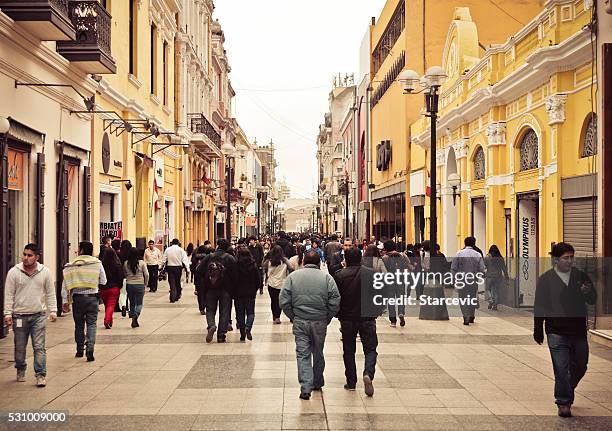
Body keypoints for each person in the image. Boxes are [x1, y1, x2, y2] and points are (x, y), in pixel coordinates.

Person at [534, 242, 596, 418]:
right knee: (561, 368)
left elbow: (593, 299)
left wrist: (587, 292)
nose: (569, 261)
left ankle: (567, 386)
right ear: (556, 259)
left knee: (581, 365)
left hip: (578, 331)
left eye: (571, 257)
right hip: (556, 331)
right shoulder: (546, 279)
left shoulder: (580, 276)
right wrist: (538, 329)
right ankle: (563, 402)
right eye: (565, 257)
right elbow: (540, 305)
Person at [279, 250, 340, 400]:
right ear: (319, 262)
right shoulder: (327, 278)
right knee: (318, 351)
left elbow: (284, 300)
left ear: (303, 262)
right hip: (319, 320)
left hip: (300, 320)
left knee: (303, 353)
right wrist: (327, 316)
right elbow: (335, 300)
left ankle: (305, 387)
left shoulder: (293, 277)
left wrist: (293, 316)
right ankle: (317, 381)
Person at [3, 244, 57, 387]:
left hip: (38, 315)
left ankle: (40, 375)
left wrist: (53, 310)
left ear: (37, 257)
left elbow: (50, 293)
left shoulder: (45, 272)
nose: (25, 258)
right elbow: (8, 294)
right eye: (24, 254)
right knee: (20, 347)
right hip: (19, 316)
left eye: (29, 255)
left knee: (39, 347)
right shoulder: (14, 272)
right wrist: (7, 313)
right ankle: (20, 368)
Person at [333, 247, 382, 396]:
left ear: (345, 260)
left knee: (348, 350)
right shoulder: (372, 274)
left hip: (347, 319)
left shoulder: (339, 275)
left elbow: (336, 298)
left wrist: (337, 313)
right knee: (371, 349)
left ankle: (351, 382)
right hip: (367, 318)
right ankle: (368, 373)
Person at [62, 241, 107, 362]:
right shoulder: (97, 263)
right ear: (91, 251)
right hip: (93, 297)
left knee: (79, 324)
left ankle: (79, 350)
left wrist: (64, 300)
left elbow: (65, 283)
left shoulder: (71, 265)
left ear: (81, 250)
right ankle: (90, 348)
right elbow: (103, 281)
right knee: (92, 324)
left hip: (77, 299)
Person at [197, 238, 236, 343]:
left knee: (210, 309)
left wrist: (205, 280)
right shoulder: (230, 258)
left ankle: (211, 326)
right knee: (224, 312)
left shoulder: (209, 257)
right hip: (225, 290)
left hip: (210, 288)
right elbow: (235, 275)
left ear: (217, 245)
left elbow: (199, 270)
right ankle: (221, 335)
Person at [450, 237, 486, 325]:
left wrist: (453, 279)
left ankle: (465, 316)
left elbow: (453, 267)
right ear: (474, 243)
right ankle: (471, 316)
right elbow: (482, 269)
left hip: (461, 280)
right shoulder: (477, 254)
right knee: (472, 297)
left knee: (463, 298)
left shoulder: (459, 254)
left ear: (464, 243)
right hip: (473, 280)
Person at [233, 246, 262, 341]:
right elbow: (258, 280)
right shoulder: (253, 265)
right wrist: (255, 289)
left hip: (238, 293)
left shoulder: (236, 265)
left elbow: (233, 280)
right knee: (250, 313)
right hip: (250, 293)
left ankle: (242, 334)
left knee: (240, 314)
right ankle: (248, 327)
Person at [382, 240, 413, 328]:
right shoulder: (403, 255)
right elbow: (409, 266)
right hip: (400, 280)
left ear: (386, 248)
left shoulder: (384, 258)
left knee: (391, 300)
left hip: (389, 281)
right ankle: (401, 313)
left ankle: (393, 321)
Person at [264, 245, 293, 324]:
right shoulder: (284, 261)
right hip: (282, 283)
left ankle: (274, 315)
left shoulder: (270, 261)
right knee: (280, 301)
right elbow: (291, 268)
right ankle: (278, 317)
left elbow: (264, 268)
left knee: (273, 300)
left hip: (271, 283)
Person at [124, 247, 149, 328]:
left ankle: (133, 316)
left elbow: (125, 274)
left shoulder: (126, 263)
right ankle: (136, 315)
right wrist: (145, 284)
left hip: (129, 285)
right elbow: (146, 275)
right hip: (139, 284)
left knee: (132, 302)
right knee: (139, 303)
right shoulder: (142, 263)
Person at [99, 245, 123, 329]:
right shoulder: (117, 265)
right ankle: (107, 320)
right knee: (111, 305)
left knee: (107, 305)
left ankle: (110, 321)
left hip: (103, 288)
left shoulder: (101, 265)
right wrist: (120, 286)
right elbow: (121, 277)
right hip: (114, 288)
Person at [162, 238, 190, 303]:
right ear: (178, 243)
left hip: (170, 267)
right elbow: (185, 260)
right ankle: (177, 295)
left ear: (172, 243)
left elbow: (164, 259)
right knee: (177, 282)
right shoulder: (181, 250)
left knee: (172, 282)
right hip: (178, 268)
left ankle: (172, 297)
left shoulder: (168, 250)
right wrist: (187, 269)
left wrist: (161, 267)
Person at [484, 245, 508, 310]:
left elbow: (484, 266)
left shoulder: (487, 257)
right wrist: (506, 277)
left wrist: (483, 274)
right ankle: (495, 305)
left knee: (488, 289)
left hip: (489, 276)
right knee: (495, 290)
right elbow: (504, 268)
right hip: (498, 277)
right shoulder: (500, 258)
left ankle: (491, 300)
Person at [192, 245, 209, 315]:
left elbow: (192, 267)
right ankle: (205, 305)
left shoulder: (195, 257)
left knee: (200, 293)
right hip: (206, 277)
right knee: (206, 293)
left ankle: (201, 308)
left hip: (198, 277)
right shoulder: (208, 257)